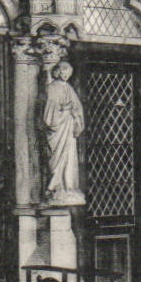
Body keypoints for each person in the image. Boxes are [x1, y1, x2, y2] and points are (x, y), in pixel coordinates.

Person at [41, 60, 86, 205]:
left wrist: (75, 114)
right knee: (56, 158)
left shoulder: (69, 88)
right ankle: (55, 188)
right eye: (63, 71)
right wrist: (66, 109)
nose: (66, 74)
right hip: (57, 131)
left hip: (68, 129)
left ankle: (68, 187)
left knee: (70, 158)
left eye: (68, 72)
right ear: (57, 72)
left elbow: (77, 107)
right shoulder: (51, 88)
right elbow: (49, 113)